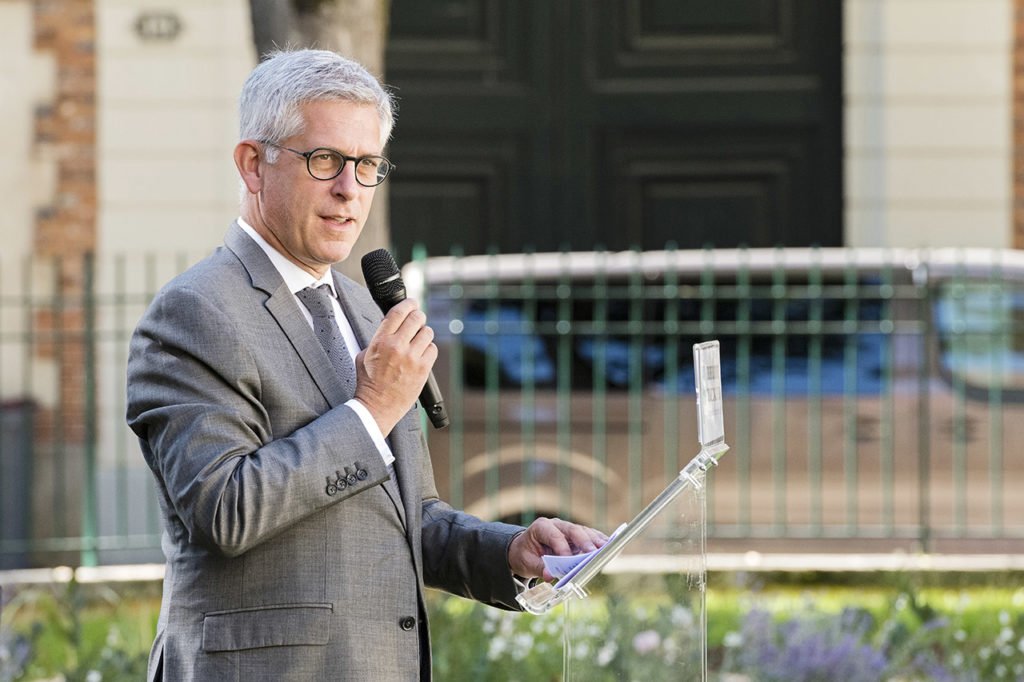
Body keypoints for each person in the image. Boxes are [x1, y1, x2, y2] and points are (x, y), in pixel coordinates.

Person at [125, 48, 607, 681]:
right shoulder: (195, 312)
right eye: (324, 160)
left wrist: (512, 551)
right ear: (253, 164)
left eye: (367, 164)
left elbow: (411, 518)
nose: (349, 189)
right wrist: (373, 407)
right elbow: (225, 510)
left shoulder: (361, 306)